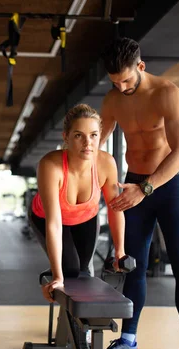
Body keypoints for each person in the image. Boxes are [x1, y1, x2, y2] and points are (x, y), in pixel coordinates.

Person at [98, 37, 179, 349]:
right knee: (132, 265)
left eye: (127, 80)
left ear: (141, 67)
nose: (121, 87)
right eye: (114, 82)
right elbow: (96, 144)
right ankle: (128, 342)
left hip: (167, 184)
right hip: (133, 183)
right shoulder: (112, 100)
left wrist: (146, 188)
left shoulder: (167, 93)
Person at [29, 104, 127, 303]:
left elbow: (114, 208)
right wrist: (57, 276)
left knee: (84, 275)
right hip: (47, 218)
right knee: (69, 271)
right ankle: (57, 275)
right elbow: (54, 223)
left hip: (86, 219)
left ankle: (77, 330)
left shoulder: (106, 164)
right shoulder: (50, 165)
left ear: (100, 135)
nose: (87, 143)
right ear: (66, 137)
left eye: (93, 135)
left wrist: (120, 250)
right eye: (78, 135)